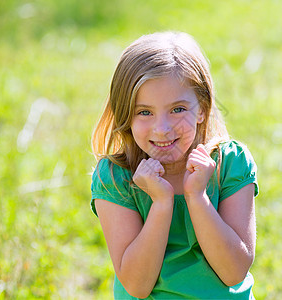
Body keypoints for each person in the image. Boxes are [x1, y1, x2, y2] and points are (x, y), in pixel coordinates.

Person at [90, 31, 259, 299]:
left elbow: (233, 271)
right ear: (126, 115)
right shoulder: (116, 177)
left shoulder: (230, 164)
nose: (162, 128)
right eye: (144, 112)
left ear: (202, 108)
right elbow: (137, 285)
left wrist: (197, 196)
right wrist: (161, 203)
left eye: (178, 109)